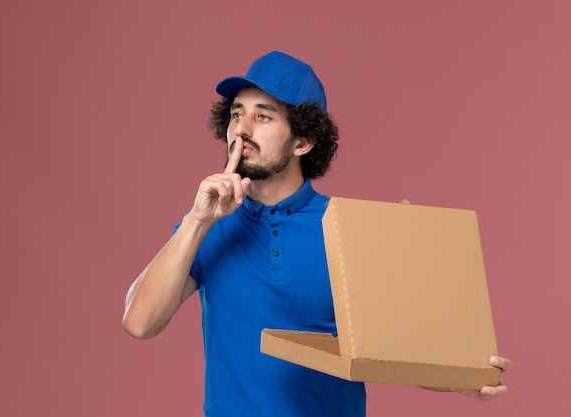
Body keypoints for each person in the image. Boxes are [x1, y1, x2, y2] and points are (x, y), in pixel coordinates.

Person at [122, 50, 512, 416]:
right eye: (236, 114)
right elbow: (140, 322)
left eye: (263, 117)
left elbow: (397, 350)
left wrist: (461, 379)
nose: (240, 130)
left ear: (303, 141)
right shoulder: (206, 222)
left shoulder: (348, 230)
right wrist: (196, 220)